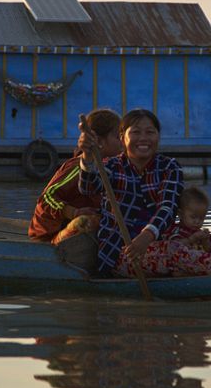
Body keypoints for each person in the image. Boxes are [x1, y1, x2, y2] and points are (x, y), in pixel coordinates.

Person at [77, 108, 187, 277]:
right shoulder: (112, 166)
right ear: (122, 138)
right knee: (181, 256)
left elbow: (168, 207)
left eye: (150, 132)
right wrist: (88, 155)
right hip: (121, 252)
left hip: (163, 241)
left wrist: (148, 235)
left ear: (158, 136)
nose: (143, 138)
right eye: (135, 132)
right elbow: (88, 188)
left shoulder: (169, 166)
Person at [28, 108, 122, 244]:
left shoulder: (112, 168)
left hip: (81, 230)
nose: (123, 142)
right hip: (52, 233)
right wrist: (73, 213)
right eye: (118, 137)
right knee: (88, 221)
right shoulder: (78, 166)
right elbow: (46, 199)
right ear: (99, 142)